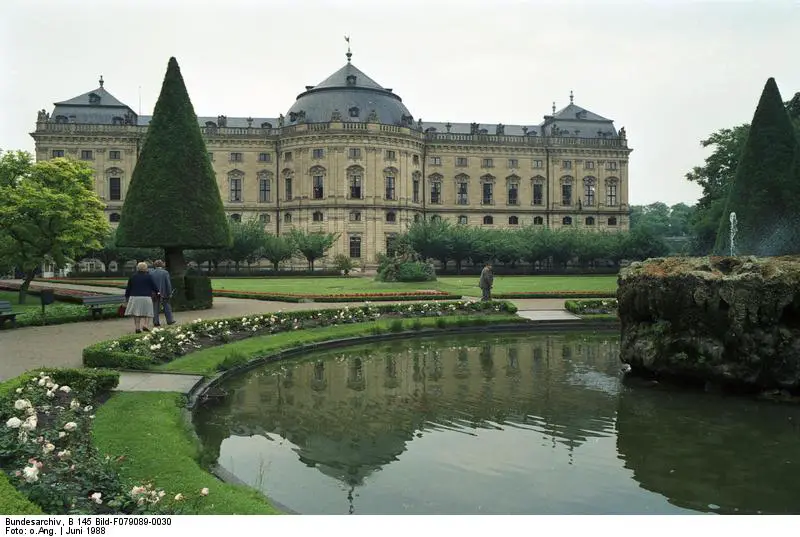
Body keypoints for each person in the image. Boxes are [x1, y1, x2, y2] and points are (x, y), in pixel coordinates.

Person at [124, 262, 159, 333]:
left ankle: (137, 328)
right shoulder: (149, 276)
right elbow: (154, 287)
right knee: (148, 312)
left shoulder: (133, 276)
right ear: (146, 268)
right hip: (146, 297)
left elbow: (128, 288)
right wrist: (158, 292)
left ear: (138, 268)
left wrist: (127, 297)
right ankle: (145, 325)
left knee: (136, 313)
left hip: (134, 297)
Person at [149, 260, 175, 327]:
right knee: (167, 306)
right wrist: (169, 292)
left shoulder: (151, 273)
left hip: (154, 293)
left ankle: (156, 322)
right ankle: (170, 320)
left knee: (155, 307)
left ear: (155, 265)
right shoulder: (165, 272)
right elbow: (168, 283)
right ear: (162, 265)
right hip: (164, 292)